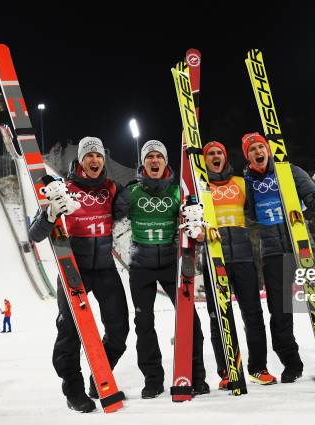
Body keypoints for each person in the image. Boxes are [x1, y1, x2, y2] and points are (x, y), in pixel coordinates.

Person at [241, 132, 315, 384]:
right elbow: (246, 214)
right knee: (279, 313)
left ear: (268, 150)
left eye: (261, 147)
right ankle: (291, 363)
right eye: (252, 149)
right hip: (272, 253)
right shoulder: (245, 182)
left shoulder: (290, 171)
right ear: (247, 156)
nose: (258, 152)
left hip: (301, 247)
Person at [29, 136, 129, 413]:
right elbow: (35, 235)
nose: (94, 160)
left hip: (106, 269)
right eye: (89, 156)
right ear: (81, 160)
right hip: (75, 269)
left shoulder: (112, 189)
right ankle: (73, 391)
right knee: (69, 332)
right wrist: (49, 215)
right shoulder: (64, 189)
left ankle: (101, 378)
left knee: (119, 330)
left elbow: (128, 216)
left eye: (98, 155)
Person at [123, 139, 209, 399]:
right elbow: (109, 215)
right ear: (143, 162)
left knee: (190, 319)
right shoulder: (131, 192)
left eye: (159, 156)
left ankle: (197, 376)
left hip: (173, 265)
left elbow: (196, 226)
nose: (154, 161)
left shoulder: (178, 191)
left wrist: (199, 231)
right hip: (141, 266)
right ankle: (153, 379)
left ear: (166, 161)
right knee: (144, 324)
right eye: (149, 157)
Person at [202, 141, 276, 389]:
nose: (215, 156)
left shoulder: (241, 183)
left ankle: (258, 367)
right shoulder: (200, 186)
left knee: (253, 314)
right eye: (210, 153)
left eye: (219, 153)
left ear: (225, 157)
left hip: (244, 257)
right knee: (219, 318)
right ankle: (226, 370)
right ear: (204, 159)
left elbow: (256, 211)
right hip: (215, 260)